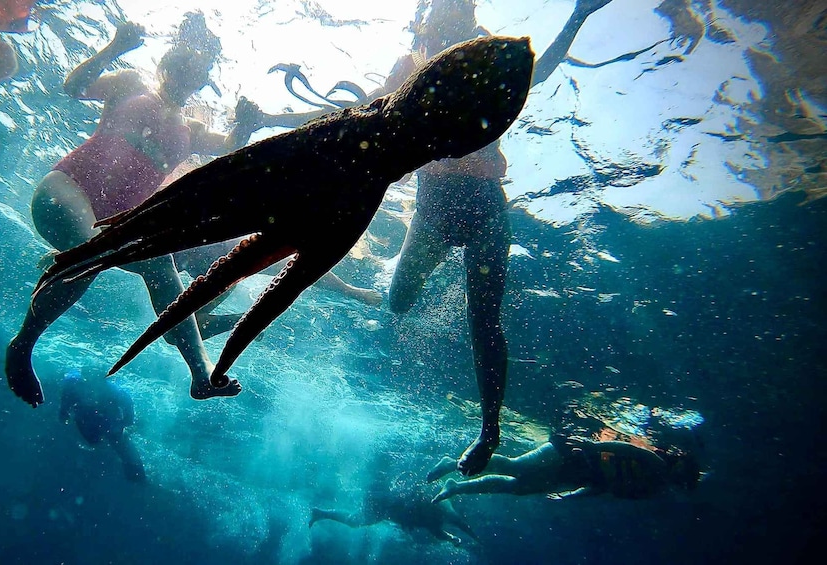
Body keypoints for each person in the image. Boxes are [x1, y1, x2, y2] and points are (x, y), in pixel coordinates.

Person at [232, 0, 612, 476]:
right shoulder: (410, 64)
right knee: (397, 302)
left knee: (484, 321)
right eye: (438, 19)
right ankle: (366, 291)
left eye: (455, 15)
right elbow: (357, 113)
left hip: (485, 207)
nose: (443, 25)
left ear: (467, 16)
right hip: (433, 209)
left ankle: (489, 432)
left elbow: (534, 72)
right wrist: (273, 118)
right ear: (428, 21)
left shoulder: (485, 54)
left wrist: (578, 16)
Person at [7, 14, 380, 409]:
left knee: (159, 264)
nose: (187, 76)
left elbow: (231, 147)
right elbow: (74, 86)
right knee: (91, 254)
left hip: (114, 224)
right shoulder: (130, 84)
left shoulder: (192, 130)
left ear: (203, 80)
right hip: (68, 188)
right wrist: (115, 47)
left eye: (197, 71)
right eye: (182, 65)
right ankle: (23, 345)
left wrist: (247, 123)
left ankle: (201, 375)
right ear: (164, 63)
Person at [429, 434, 702, 503]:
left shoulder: (651, 488)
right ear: (680, 466)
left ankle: (457, 487)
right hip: (568, 453)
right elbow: (626, 448)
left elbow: (603, 488)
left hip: (574, 474)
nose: (677, 481)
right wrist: (591, 448)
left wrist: (570, 496)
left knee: (516, 488)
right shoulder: (656, 463)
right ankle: (453, 464)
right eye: (682, 476)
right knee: (516, 467)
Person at [309, 480, 477, 546]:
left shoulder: (437, 517)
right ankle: (320, 513)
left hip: (385, 505)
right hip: (384, 504)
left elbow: (438, 532)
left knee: (354, 521)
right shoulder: (440, 509)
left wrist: (452, 538)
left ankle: (320, 513)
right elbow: (449, 527)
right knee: (355, 520)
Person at [59, 368, 146, 482]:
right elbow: (66, 398)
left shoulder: (112, 390)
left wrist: (124, 423)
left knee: (119, 441)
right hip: (86, 418)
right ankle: (126, 467)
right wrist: (64, 412)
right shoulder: (74, 384)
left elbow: (128, 407)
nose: (92, 386)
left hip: (108, 419)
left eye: (96, 380)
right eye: (89, 378)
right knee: (94, 441)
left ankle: (138, 477)